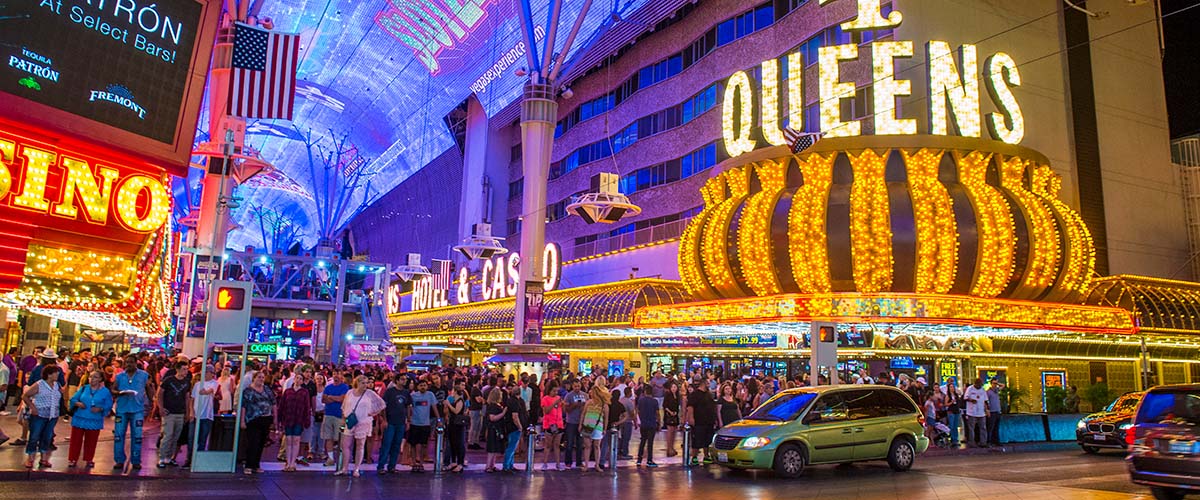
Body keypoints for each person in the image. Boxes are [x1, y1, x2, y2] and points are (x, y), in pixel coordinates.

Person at [336, 375, 384, 477]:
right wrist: (343, 419)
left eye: (367, 383)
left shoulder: (370, 394)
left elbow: (381, 404)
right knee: (345, 445)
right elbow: (344, 406)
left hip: (363, 422)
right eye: (363, 383)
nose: (365, 385)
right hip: (351, 421)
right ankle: (345, 468)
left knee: (360, 445)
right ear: (357, 383)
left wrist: (372, 413)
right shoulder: (350, 393)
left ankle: (356, 469)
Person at [67, 370, 113, 468]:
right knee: (75, 440)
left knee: (91, 441)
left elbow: (109, 405)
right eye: (90, 376)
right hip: (80, 418)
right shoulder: (84, 388)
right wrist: (78, 403)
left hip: (94, 420)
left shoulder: (105, 391)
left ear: (100, 379)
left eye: (95, 377)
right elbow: (73, 399)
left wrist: (100, 408)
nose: (92, 379)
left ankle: (89, 459)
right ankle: (73, 459)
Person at [22, 365, 63, 468]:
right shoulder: (39, 384)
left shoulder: (57, 385)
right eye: (55, 372)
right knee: (34, 436)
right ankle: (30, 457)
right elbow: (25, 396)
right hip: (39, 414)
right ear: (49, 374)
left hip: (52, 415)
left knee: (47, 436)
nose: (57, 374)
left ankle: (43, 458)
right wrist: (33, 407)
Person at [113, 357, 149, 470]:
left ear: (136, 363)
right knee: (119, 435)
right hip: (122, 409)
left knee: (137, 436)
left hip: (137, 409)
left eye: (131, 362)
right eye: (127, 362)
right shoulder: (119, 376)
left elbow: (149, 387)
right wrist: (119, 392)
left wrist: (152, 402)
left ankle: (136, 460)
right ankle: (119, 460)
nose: (129, 364)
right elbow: (113, 389)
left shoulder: (144, 375)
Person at [240, 371, 276, 475]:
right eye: (259, 377)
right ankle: (248, 465)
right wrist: (242, 420)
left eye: (263, 377)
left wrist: (275, 418)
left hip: (265, 419)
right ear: (254, 378)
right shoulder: (248, 391)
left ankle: (256, 465)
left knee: (261, 443)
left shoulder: (267, 390)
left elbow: (273, 403)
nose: (261, 379)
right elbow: (243, 406)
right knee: (252, 443)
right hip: (252, 419)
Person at [157, 362, 191, 468]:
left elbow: (187, 397)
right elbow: (160, 393)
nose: (186, 371)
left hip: (180, 412)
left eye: (187, 369)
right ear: (178, 369)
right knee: (168, 435)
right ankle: (162, 458)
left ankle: (169, 457)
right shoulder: (169, 380)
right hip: (169, 412)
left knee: (175, 437)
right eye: (184, 369)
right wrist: (161, 408)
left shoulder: (187, 382)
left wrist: (187, 412)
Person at [278, 375, 313, 472]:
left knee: (296, 440)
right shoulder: (288, 392)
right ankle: (288, 462)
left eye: (301, 379)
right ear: (294, 379)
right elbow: (282, 405)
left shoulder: (304, 392)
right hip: (288, 419)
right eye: (297, 378)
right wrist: (279, 419)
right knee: (289, 440)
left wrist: (307, 420)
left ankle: (293, 462)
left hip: (299, 419)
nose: (299, 380)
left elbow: (307, 407)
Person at [378, 374, 410, 474]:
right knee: (387, 444)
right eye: (402, 379)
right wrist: (384, 420)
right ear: (397, 380)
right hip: (390, 422)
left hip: (401, 422)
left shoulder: (406, 392)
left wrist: (408, 420)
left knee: (396, 445)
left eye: (405, 379)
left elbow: (408, 407)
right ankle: (381, 466)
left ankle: (392, 466)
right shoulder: (390, 392)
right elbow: (383, 406)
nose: (404, 381)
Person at [407, 379, 440, 473]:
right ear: (418, 387)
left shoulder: (430, 395)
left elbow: (434, 407)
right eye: (421, 385)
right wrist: (408, 419)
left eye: (424, 385)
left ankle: (421, 463)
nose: (423, 387)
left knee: (423, 444)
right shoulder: (413, 396)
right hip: (414, 423)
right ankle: (414, 463)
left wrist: (439, 420)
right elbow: (409, 408)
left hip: (425, 423)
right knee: (413, 444)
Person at [321, 371, 350, 467]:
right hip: (328, 415)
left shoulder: (345, 387)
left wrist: (330, 397)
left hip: (340, 417)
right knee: (328, 437)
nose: (336, 376)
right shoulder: (328, 387)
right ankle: (330, 458)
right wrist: (335, 398)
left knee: (340, 438)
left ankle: (341, 458)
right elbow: (324, 399)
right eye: (334, 374)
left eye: (338, 374)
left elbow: (342, 399)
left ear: (342, 376)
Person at [581, 380, 610, 471]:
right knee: (588, 446)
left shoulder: (604, 405)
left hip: (598, 426)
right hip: (587, 425)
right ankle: (587, 465)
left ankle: (596, 465)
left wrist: (605, 428)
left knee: (596, 446)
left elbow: (606, 418)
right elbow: (583, 414)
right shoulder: (588, 402)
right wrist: (580, 424)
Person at [687, 381, 718, 465]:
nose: (709, 385)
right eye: (707, 384)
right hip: (698, 420)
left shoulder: (708, 394)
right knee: (697, 439)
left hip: (709, 420)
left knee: (707, 439)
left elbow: (713, 406)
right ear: (703, 384)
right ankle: (694, 457)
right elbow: (690, 406)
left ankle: (706, 456)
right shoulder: (695, 394)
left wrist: (714, 418)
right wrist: (691, 417)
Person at [190, 367, 219, 456]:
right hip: (195, 414)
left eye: (206, 372)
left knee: (203, 438)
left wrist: (206, 392)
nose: (205, 374)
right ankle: (190, 457)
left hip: (207, 415)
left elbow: (210, 390)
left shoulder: (215, 383)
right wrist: (191, 411)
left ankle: (199, 457)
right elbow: (192, 398)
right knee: (192, 438)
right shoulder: (197, 384)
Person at [503, 383, 529, 472]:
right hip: (514, 427)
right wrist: (520, 426)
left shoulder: (513, 400)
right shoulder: (515, 402)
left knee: (513, 447)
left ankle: (510, 465)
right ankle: (506, 466)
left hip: (512, 426)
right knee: (511, 447)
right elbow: (515, 416)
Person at [539, 379, 565, 470]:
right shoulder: (545, 399)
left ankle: (558, 464)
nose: (555, 392)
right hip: (549, 424)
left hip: (559, 424)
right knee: (548, 445)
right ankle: (545, 463)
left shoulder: (558, 398)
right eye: (554, 390)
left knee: (557, 445)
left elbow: (563, 410)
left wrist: (563, 404)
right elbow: (546, 411)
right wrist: (554, 403)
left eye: (557, 391)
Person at [562, 379, 588, 469]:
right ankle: (568, 461)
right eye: (575, 386)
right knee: (569, 443)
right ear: (572, 386)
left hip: (581, 421)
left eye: (578, 386)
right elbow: (566, 410)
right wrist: (574, 405)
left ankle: (579, 462)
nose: (577, 388)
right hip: (571, 422)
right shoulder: (568, 396)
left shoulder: (585, 395)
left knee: (580, 444)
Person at [444, 382, 468, 472]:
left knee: (459, 443)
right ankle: (453, 461)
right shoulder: (454, 400)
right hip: (452, 423)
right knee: (453, 442)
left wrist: (449, 405)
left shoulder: (460, 401)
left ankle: (460, 463)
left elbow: (456, 411)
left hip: (458, 425)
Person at [635, 385, 660, 467]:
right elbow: (657, 413)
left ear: (645, 392)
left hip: (643, 423)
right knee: (650, 442)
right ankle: (649, 460)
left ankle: (639, 459)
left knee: (642, 441)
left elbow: (638, 411)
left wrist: (641, 418)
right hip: (652, 423)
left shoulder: (641, 400)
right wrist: (659, 423)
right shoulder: (654, 401)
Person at [483, 387, 507, 473]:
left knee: (494, 447)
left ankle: (492, 465)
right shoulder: (493, 406)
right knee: (492, 448)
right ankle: (488, 466)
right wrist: (503, 413)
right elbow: (492, 418)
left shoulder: (494, 405)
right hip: (493, 429)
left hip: (496, 428)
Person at [963, 378, 988, 448]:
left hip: (981, 412)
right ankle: (972, 442)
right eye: (978, 385)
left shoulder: (982, 390)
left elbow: (986, 400)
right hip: (972, 412)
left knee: (983, 427)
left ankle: (983, 442)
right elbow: (965, 398)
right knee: (971, 428)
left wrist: (987, 410)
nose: (979, 386)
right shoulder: (970, 389)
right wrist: (971, 400)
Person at [663, 381, 681, 457]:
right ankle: (669, 448)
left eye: (675, 387)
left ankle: (672, 447)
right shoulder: (668, 395)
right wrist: (670, 412)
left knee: (674, 432)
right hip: (669, 415)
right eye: (672, 387)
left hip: (675, 415)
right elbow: (665, 405)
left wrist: (677, 412)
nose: (674, 389)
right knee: (670, 433)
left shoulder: (677, 396)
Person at [618, 387, 635, 459]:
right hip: (628, 421)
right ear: (629, 393)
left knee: (622, 436)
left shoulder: (621, 400)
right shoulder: (629, 402)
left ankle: (620, 451)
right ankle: (625, 453)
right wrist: (635, 421)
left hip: (621, 421)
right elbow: (632, 413)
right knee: (626, 437)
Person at [943, 379, 962, 446]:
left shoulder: (956, 395)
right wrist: (951, 402)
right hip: (951, 411)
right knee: (952, 425)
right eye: (950, 387)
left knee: (955, 425)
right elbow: (945, 404)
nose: (952, 388)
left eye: (953, 387)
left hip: (956, 411)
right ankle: (952, 438)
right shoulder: (948, 396)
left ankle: (955, 439)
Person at [986, 380, 1003, 446]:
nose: (995, 385)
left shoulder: (997, 390)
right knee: (991, 427)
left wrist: (998, 383)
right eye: (994, 383)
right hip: (992, 411)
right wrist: (987, 410)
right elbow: (986, 402)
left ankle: (996, 441)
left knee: (996, 427)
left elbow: (1003, 386)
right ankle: (989, 441)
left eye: (996, 383)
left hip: (998, 411)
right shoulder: (988, 392)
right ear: (991, 384)